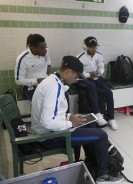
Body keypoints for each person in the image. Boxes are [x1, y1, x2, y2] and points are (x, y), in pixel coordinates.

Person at [31, 56, 124, 184]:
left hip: (51, 131)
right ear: (69, 72)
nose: (75, 81)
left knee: (89, 121)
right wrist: (70, 123)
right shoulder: (53, 87)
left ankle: (90, 161)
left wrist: (69, 116)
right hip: (51, 137)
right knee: (102, 135)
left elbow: (53, 112)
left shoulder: (52, 81)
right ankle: (103, 175)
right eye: (75, 77)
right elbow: (47, 121)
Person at [76, 36, 117, 130]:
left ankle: (111, 118)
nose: (93, 49)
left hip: (95, 78)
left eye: (95, 46)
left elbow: (102, 67)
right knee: (92, 86)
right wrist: (89, 75)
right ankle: (98, 114)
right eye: (91, 47)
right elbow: (78, 74)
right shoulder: (79, 57)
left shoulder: (99, 55)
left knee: (109, 92)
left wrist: (99, 72)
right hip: (82, 80)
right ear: (85, 47)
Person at [15, 34, 51, 100]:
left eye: (45, 47)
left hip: (45, 81)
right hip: (31, 86)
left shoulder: (45, 51)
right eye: (42, 49)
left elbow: (48, 60)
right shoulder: (22, 59)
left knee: (59, 96)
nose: (45, 50)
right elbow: (18, 80)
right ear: (33, 48)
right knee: (40, 102)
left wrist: (48, 67)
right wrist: (36, 81)